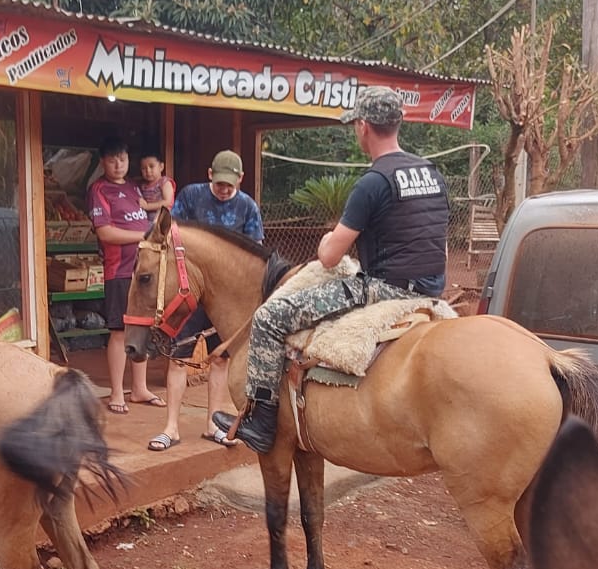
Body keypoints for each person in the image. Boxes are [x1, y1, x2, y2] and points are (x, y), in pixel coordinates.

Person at [214, 85, 449, 454]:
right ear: (398, 123)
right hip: (432, 285)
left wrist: (328, 239)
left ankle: (259, 421)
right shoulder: (431, 172)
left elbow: (329, 256)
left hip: (387, 289)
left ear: (363, 127)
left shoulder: (374, 182)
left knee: (271, 317)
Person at [146, 149, 264, 451]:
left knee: (221, 359)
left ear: (240, 179)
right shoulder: (191, 196)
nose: (224, 190)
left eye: (230, 184)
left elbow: (254, 252)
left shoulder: (247, 206)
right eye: (220, 183)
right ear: (210, 175)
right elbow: (173, 239)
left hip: (224, 299)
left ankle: (213, 424)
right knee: (179, 357)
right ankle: (170, 428)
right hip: (189, 292)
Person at [87, 135, 163, 414]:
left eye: (123, 159)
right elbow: (105, 233)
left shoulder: (134, 188)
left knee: (141, 326)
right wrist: (143, 236)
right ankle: (117, 392)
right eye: (112, 160)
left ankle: (140, 389)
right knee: (119, 331)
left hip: (143, 268)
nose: (118, 164)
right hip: (119, 270)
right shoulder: (99, 190)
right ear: (102, 162)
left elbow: (160, 196)